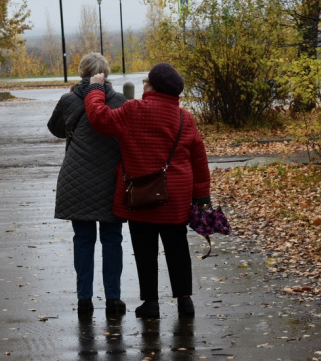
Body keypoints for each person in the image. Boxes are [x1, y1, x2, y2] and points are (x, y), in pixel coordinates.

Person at [85, 62, 211, 319]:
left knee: (145, 250)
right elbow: (199, 158)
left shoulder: (133, 110)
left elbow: (99, 118)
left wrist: (95, 89)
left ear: (155, 87)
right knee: (178, 248)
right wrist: (201, 194)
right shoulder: (184, 118)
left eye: (147, 81)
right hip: (176, 198)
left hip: (141, 195)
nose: (143, 83)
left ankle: (151, 303)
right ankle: (185, 301)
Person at [47, 52, 128, 318]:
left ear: (82, 72)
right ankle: (113, 299)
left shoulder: (69, 100)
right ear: (106, 73)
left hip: (76, 181)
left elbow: (56, 129)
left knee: (83, 240)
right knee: (112, 240)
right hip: (110, 182)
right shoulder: (119, 101)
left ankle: (84, 301)